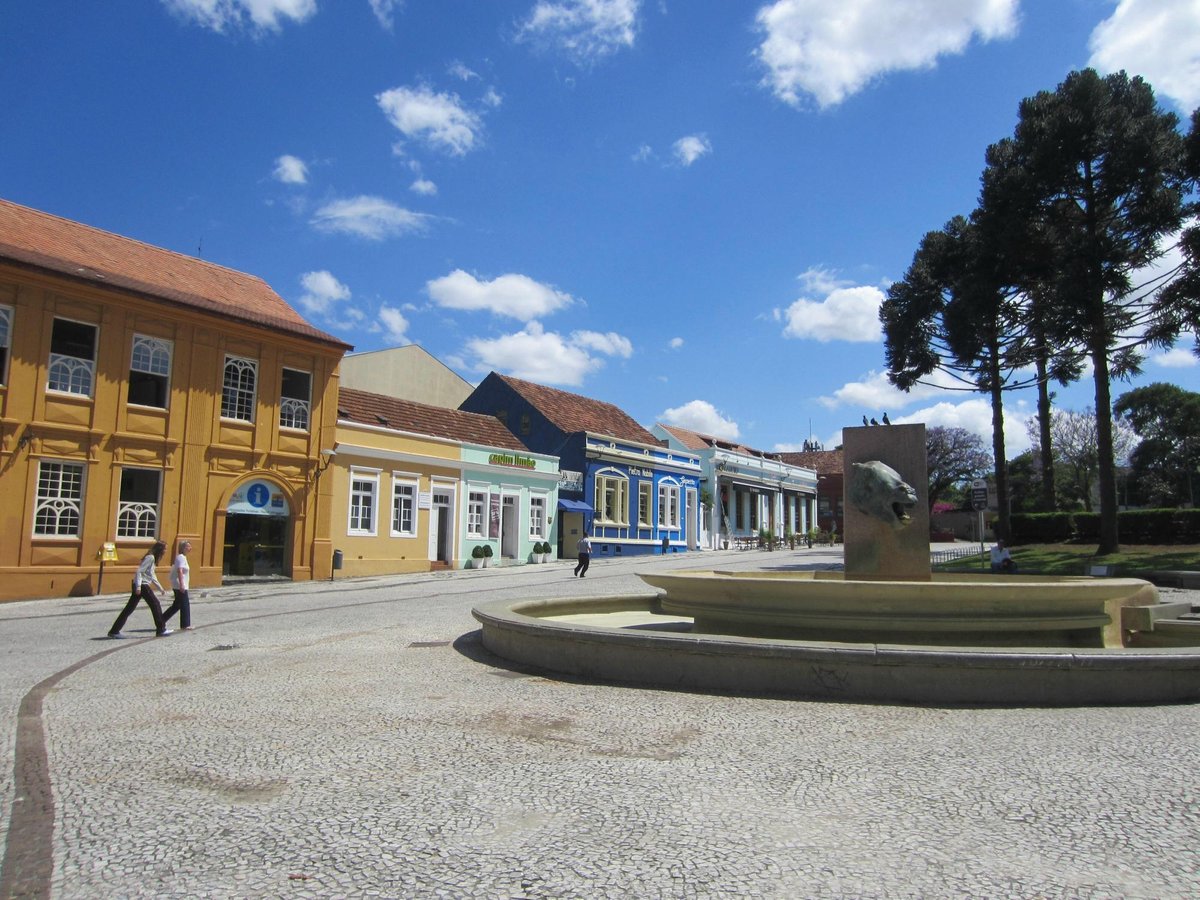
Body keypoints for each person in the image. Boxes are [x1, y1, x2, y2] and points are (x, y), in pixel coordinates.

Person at [108, 541, 172, 638]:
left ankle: (114, 631)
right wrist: (138, 586)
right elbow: (139, 571)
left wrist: (160, 588)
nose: (166, 551)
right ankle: (161, 629)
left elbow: (151, 575)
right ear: (160, 549)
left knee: (129, 608)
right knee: (155, 604)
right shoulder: (150, 557)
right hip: (142, 585)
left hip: (141, 584)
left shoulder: (152, 558)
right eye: (165, 549)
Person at [162, 540, 193, 631]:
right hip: (179, 584)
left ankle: (161, 620)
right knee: (184, 604)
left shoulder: (183, 557)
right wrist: (182, 584)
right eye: (188, 546)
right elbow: (179, 570)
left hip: (179, 584)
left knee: (177, 605)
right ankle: (185, 624)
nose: (190, 548)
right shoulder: (181, 557)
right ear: (183, 548)